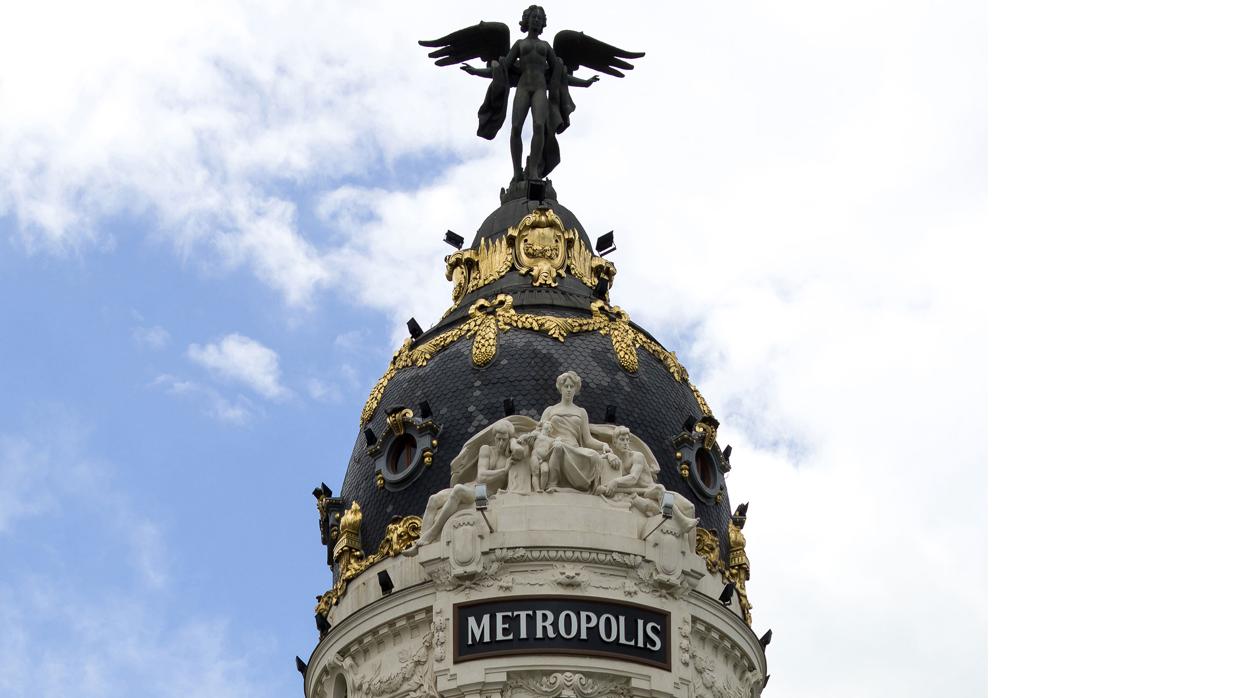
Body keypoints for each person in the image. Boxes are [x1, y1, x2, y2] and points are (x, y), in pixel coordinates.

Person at [416, 420, 515, 545]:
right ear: (494, 437)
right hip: (475, 487)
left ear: (509, 439)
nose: (500, 443)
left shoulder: (511, 457)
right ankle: (421, 543)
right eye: (498, 439)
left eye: (504, 440)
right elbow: (482, 476)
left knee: (458, 490)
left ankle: (432, 533)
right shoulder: (487, 450)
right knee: (433, 500)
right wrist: (504, 471)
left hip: (485, 494)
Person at [596, 426, 698, 533]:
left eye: (627, 440)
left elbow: (634, 478)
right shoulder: (617, 460)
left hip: (650, 489)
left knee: (662, 490)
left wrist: (615, 482)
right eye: (622, 440)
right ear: (614, 442)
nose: (626, 443)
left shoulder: (637, 456)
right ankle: (676, 519)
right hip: (640, 493)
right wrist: (608, 456)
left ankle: (676, 519)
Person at [538, 371, 614, 492]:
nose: (568, 389)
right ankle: (552, 483)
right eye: (566, 386)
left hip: (574, 448)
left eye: (571, 386)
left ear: (575, 389)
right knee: (559, 446)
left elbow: (588, 440)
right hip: (555, 445)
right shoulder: (550, 410)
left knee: (594, 455)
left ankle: (585, 485)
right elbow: (539, 434)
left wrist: (604, 444)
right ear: (560, 388)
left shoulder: (581, 412)